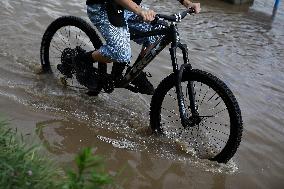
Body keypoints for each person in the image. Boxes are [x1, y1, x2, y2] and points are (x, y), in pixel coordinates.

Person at [75, 0, 201, 95]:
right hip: (104, 7)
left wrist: (187, 3)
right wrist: (139, 11)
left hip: (128, 8)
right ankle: (83, 60)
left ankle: (135, 73)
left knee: (161, 30)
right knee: (121, 53)